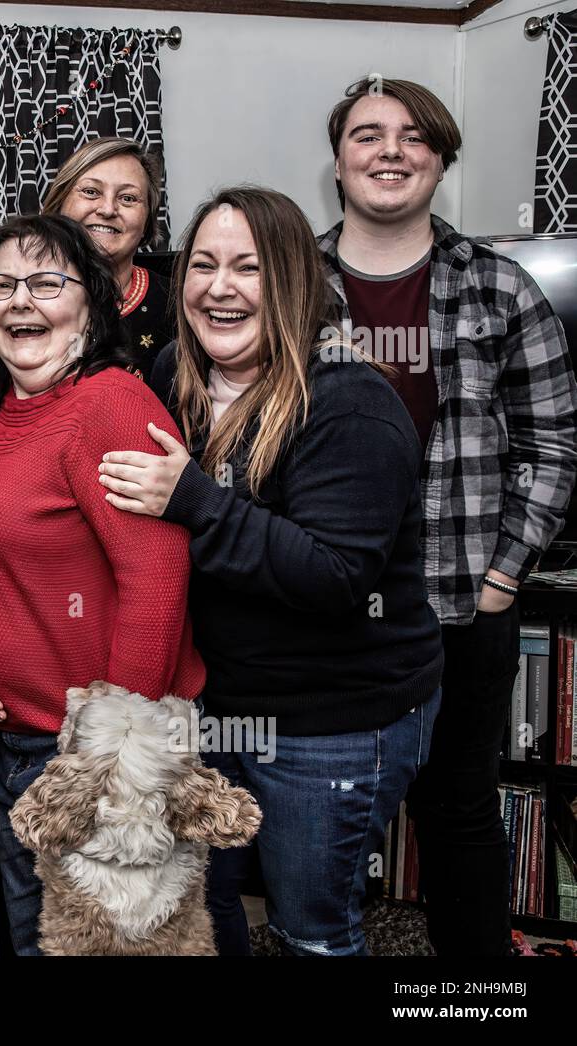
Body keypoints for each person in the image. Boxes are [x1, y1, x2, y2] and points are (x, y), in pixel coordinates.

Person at [97, 187, 445, 956]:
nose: (220, 287)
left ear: (290, 281)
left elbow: (334, 576)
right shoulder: (172, 377)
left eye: (248, 268)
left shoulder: (348, 405)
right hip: (218, 704)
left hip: (333, 722)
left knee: (308, 928)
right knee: (202, 898)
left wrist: (193, 499)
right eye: (205, 265)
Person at [318, 78, 577, 955]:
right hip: (329, 607)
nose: (391, 150)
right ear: (340, 158)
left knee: (461, 811)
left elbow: (553, 445)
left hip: (466, 609)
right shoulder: (292, 285)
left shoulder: (500, 287)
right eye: (368, 134)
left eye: (414, 136)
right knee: (322, 810)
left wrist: (507, 576)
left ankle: (475, 990)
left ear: (440, 159)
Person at [0, 214, 206, 956]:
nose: (20, 301)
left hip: (96, 757)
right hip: (8, 741)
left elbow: (157, 578)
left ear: (91, 302)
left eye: (47, 283)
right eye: (1, 285)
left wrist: (107, 758)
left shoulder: (110, 403)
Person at [43, 136, 172, 384]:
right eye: (91, 192)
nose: (108, 209)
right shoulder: (21, 299)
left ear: (147, 220)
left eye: (128, 198)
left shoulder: (179, 307)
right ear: (58, 205)